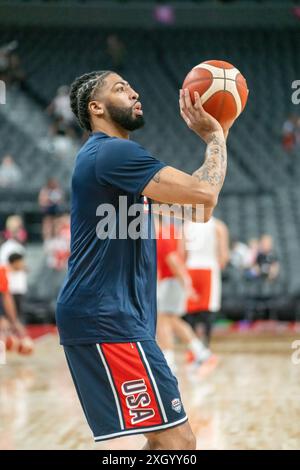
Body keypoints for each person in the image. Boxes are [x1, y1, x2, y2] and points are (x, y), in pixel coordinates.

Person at [56, 70, 228, 450]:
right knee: (177, 444)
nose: (134, 92)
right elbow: (206, 196)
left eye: (133, 86)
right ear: (95, 108)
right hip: (106, 318)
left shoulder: (118, 169)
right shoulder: (111, 152)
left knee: (161, 442)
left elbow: (198, 212)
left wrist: (223, 134)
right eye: (120, 88)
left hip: (112, 317)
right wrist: (215, 136)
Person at [156, 218, 212, 373]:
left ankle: (169, 360)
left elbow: (173, 260)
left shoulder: (163, 234)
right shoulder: (173, 231)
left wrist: (185, 283)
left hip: (172, 282)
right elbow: (181, 256)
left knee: (163, 320)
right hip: (173, 281)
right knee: (172, 320)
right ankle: (200, 351)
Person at [183, 217, 229, 346]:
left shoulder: (187, 225)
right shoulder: (218, 225)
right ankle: (206, 346)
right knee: (208, 308)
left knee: (191, 309)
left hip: (191, 267)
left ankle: (193, 348)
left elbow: (183, 252)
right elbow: (224, 255)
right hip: (209, 268)